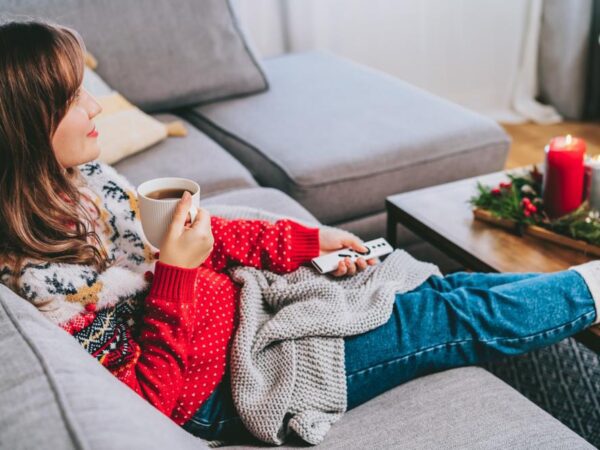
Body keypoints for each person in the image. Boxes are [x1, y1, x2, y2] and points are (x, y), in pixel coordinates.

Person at [0, 20, 598, 445]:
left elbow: (196, 237)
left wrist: (303, 243)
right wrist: (179, 273)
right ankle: (590, 291)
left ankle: (579, 291)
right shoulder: (50, 286)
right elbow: (154, 404)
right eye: (76, 97)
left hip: (248, 316)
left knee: (446, 290)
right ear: (30, 122)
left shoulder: (81, 183)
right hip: (232, 386)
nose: (96, 109)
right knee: (450, 316)